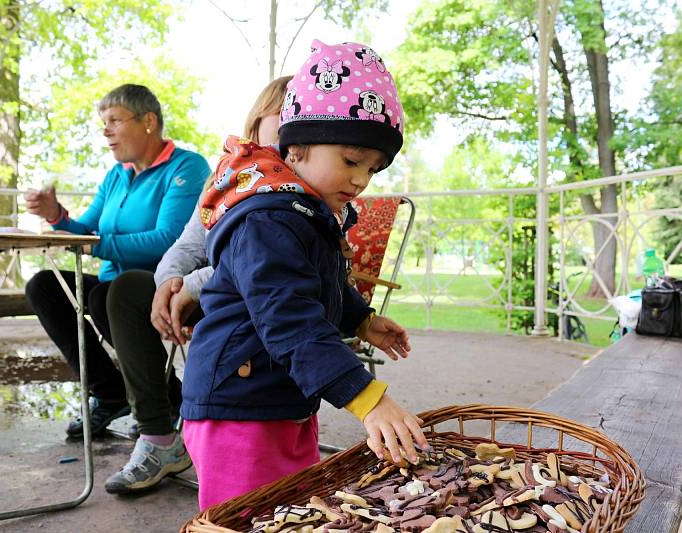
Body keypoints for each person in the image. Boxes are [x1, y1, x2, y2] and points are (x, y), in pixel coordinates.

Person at [181, 39, 429, 510]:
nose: (361, 181)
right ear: (295, 149)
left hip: (283, 398)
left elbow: (320, 284)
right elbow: (289, 317)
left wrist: (360, 319)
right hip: (239, 406)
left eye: (373, 169)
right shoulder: (268, 220)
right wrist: (367, 398)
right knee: (247, 517)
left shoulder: (306, 214)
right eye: (351, 161)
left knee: (295, 508)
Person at [102, 76, 293, 494]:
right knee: (128, 289)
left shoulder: (302, 181)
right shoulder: (230, 173)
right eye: (284, 112)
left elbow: (256, 264)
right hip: (221, 292)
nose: (292, 122)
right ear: (258, 119)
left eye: (303, 115)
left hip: (271, 301)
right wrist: (168, 284)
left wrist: (193, 287)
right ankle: (158, 436)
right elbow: (190, 240)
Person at [23, 84, 211, 442]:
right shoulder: (116, 175)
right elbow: (87, 227)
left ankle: (164, 399)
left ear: (148, 122)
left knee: (104, 295)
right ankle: (109, 393)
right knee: (43, 286)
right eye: (103, 122)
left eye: (114, 120)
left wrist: (96, 246)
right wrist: (56, 216)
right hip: (112, 285)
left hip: (158, 284)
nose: (106, 130)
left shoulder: (186, 166)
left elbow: (169, 238)